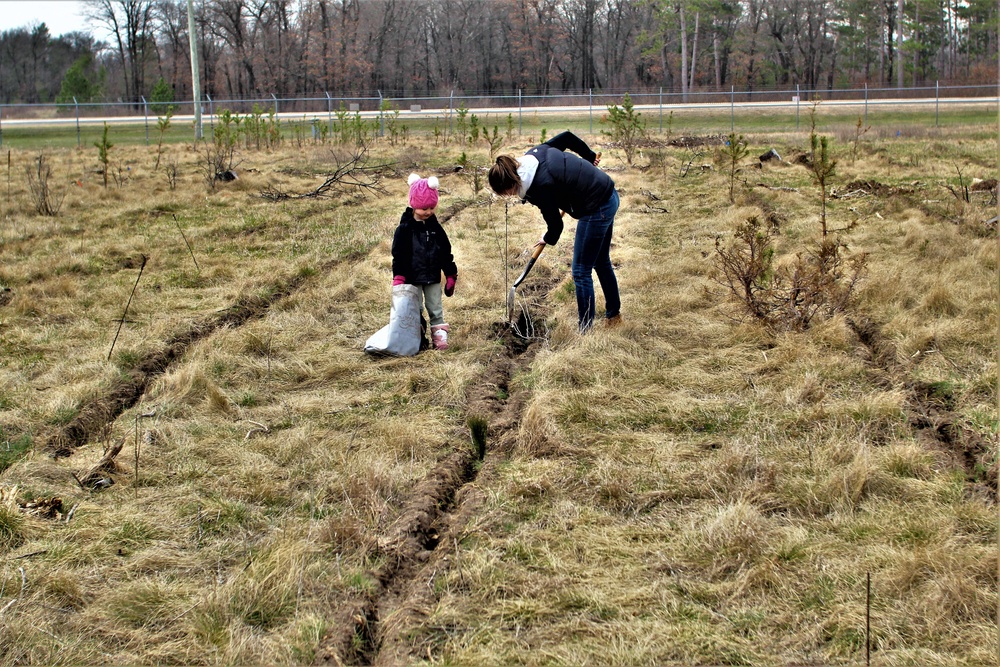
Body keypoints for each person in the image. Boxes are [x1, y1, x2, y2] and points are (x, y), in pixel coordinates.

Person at [488, 131, 621, 332]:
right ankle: (614, 316)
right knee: (601, 261)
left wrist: (547, 238)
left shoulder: (539, 187)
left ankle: (585, 330)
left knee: (580, 270)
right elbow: (567, 137)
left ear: (509, 186)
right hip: (608, 193)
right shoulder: (535, 154)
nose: (508, 196)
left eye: (505, 193)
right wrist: (589, 156)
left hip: (597, 208)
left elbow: (556, 227)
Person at [391, 173, 458, 350]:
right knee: (415, 309)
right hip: (412, 278)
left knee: (435, 307)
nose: (428, 212)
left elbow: (445, 252)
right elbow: (399, 255)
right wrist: (399, 276)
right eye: (423, 208)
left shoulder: (436, 229)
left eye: (431, 207)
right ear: (413, 205)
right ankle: (417, 339)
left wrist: (450, 273)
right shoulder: (404, 229)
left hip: (432, 277)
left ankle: (439, 338)